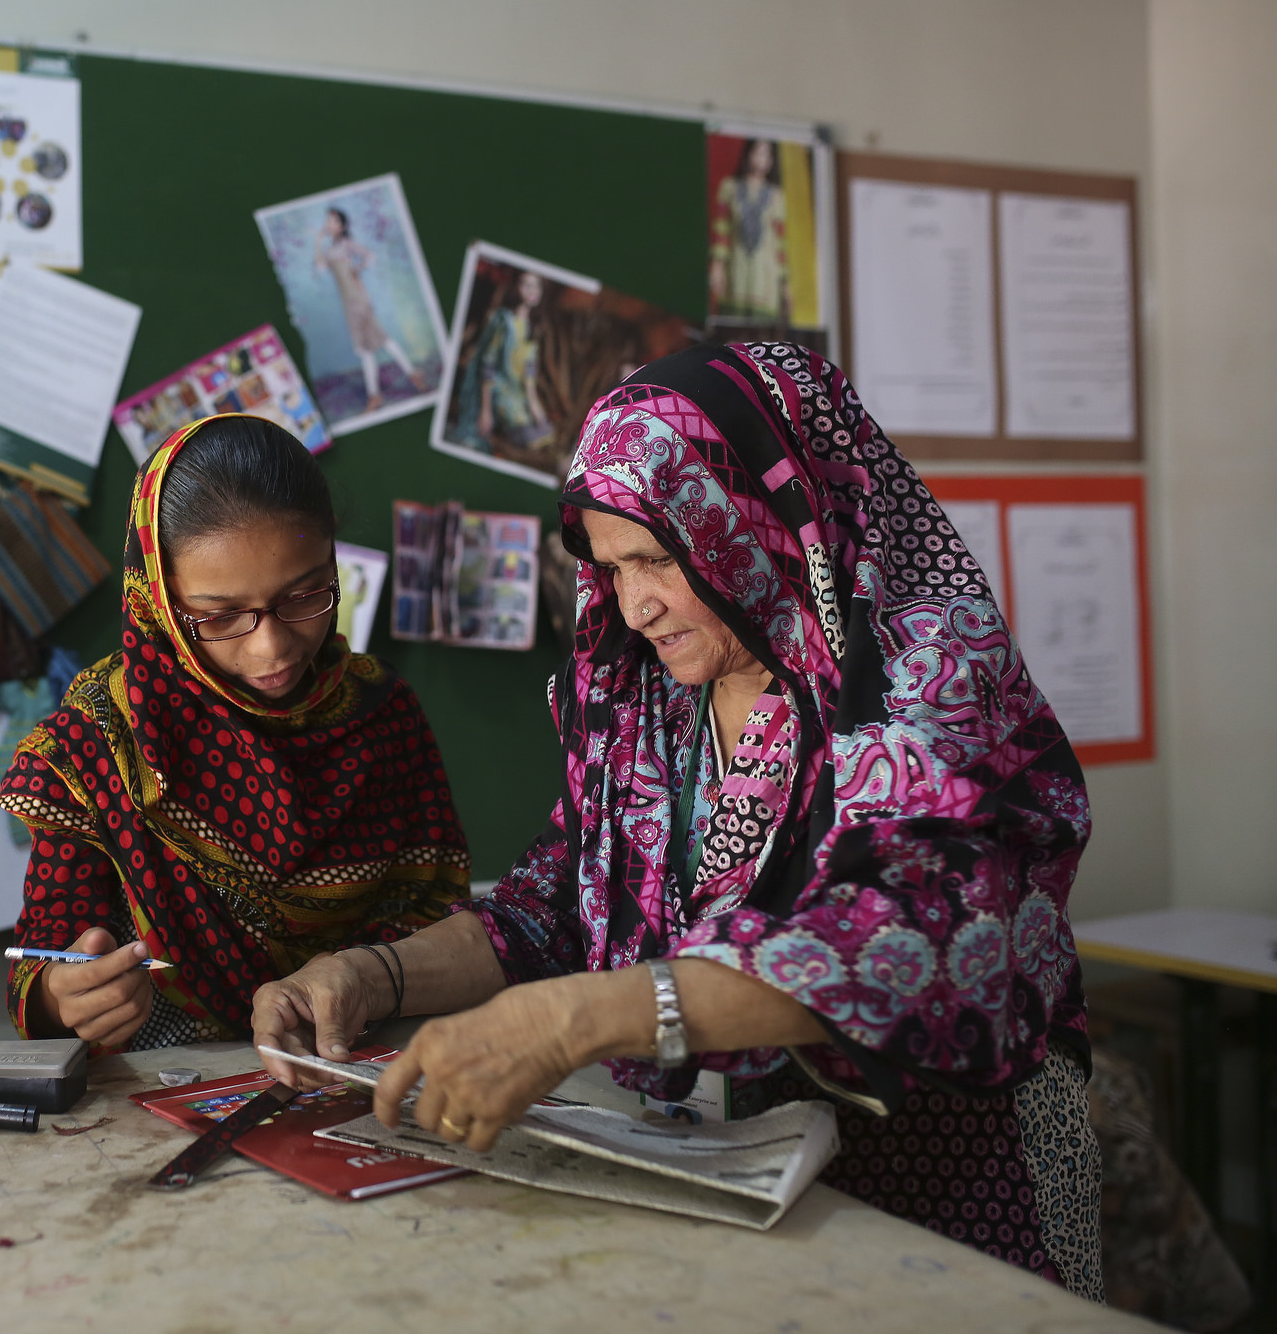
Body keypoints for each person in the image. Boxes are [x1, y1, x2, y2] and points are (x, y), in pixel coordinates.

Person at [254, 343, 1103, 1297]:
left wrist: (582, 1017)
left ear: (753, 522)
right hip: (741, 1177)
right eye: (611, 567)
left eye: (658, 556)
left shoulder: (924, 673)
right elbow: (562, 904)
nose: (636, 602)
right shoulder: (649, 696)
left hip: (952, 1189)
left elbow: (911, 929)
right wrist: (371, 976)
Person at [0, 413, 470, 1050]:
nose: (272, 647)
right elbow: (40, 965)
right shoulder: (94, 750)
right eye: (220, 618)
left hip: (360, 1068)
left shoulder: (381, 715)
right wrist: (65, 997)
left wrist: (370, 983)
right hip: (165, 1090)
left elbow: (442, 921)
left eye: (305, 596)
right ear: (158, 602)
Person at [314, 207, 427, 413]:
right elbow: (320, 268)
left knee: (376, 342)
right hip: (349, 304)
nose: (328, 224)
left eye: (333, 221)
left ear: (342, 226)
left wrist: (357, 270)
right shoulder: (330, 250)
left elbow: (370, 255)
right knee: (368, 346)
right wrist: (318, 240)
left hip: (359, 300)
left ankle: (392, 386)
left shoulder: (346, 244)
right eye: (327, 221)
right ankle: (383, 391)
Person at [450, 268, 554, 456]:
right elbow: (488, 365)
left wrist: (533, 404)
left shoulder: (534, 327)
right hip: (499, 390)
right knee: (529, 439)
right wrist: (486, 410)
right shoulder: (504, 321)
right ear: (516, 287)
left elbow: (529, 371)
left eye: (537, 286)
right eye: (526, 285)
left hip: (520, 392)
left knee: (545, 431)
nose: (532, 291)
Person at [709, 137, 788, 322]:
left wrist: (785, 284)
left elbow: (781, 242)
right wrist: (717, 266)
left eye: (767, 154)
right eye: (759, 152)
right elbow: (721, 230)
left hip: (766, 281)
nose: (762, 159)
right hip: (736, 274)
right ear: (748, 154)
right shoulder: (729, 187)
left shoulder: (777, 196)